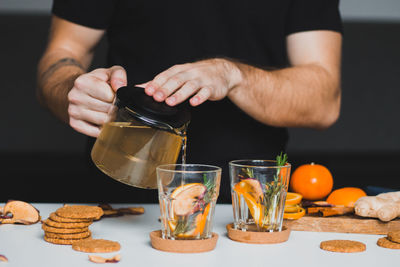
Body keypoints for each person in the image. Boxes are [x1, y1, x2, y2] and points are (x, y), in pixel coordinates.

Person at [37, 0, 342, 203]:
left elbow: (324, 102)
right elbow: (63, 53)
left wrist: (232, 75)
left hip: (248, 206)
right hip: (118, 200)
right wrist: (72, 90)